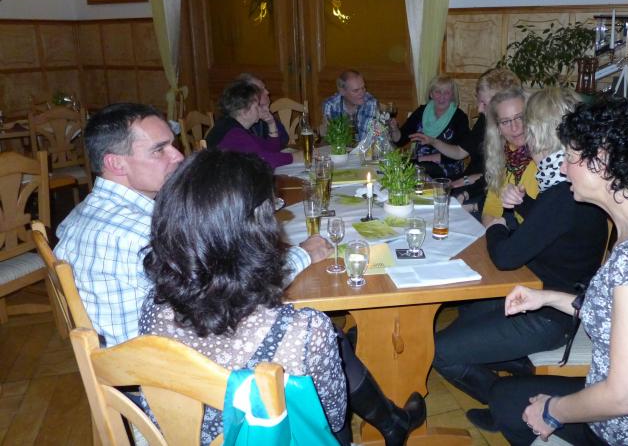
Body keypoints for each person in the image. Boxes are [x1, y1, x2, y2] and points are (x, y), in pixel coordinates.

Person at [140, 150, 425, 446]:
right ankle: (393, 423)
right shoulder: (302, 330)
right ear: (254, 231)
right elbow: (332, 417)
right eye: (272, 210)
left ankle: (393, 423)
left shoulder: (154, 305)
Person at [486, 98, 628, 446]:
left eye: (570, 157)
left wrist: (553, 410)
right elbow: (618, 312)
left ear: (601, 162)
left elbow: (624, 398)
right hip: (621, 405)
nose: (562, 169)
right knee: (504, 397)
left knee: (514, 405)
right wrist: (548, 297)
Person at [54, 103, 329, 347]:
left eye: (172, 145)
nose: (177, 156)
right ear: (115, 163)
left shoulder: (77, 216)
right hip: (165, 367)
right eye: (159, 150)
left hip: (115, 360)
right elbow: (232, 299)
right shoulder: (148, 233)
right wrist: (302, 254)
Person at [432, 88, 607, 411]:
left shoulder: (563, 194)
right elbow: (551, 225)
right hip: (536, 292)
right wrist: (523, 204)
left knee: (439, 350)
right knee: (465, 318)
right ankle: (520, 382)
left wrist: (497, 225)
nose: (522, 132)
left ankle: (510, 407)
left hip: (551, 315)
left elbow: (505, 257)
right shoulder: (564, 185)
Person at [420, 68, 522, 215]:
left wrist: (468, 190)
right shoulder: (485, 121)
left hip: (489, 197)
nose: (479, 109)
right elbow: (460, 153)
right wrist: (433, 141)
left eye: (484, 103)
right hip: (479, 188)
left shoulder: (516, 137)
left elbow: (499, 185)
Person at [205, 76, 298, 169]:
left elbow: (272, 149)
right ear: (244, 112)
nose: (261, 109)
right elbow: (262, 161)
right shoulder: (233, 133)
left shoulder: (237, 127)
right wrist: (298, 157)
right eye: (257, 106)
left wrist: (271, 123)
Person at [389, 76, 469, 179]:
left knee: (411, 171)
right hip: (420, 163)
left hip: (448, 167)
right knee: (393, 166)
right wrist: (394, 129)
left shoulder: (460, 117)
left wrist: (421, 159)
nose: (442, 97)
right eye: (438, 92)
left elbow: (459, 153)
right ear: (431, 94)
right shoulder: (421, 112)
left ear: (452, 95)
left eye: (446, 92)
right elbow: (400, 140)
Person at [480, 84, 538, 225]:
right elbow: (491, 208)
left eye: (520, 117)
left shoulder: (544, 156)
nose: (514, 127)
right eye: (505, 122)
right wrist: (491, 229)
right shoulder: (503, 154)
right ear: (498, 128)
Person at [321, 70, 379, 142]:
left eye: (363, 88)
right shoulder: (331, 105)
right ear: (342, 91)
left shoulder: (371, 103)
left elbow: (365, 140)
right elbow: (330, 138)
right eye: (356, 90)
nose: (362, 93)